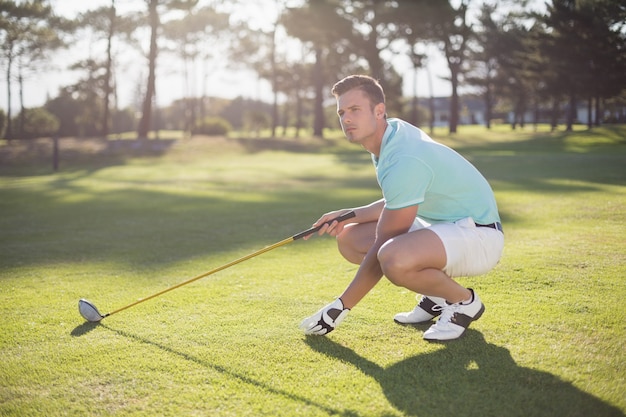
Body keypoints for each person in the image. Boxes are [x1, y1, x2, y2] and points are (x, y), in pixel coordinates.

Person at [299, 75, 504, 341]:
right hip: (444, 226)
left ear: (379, 111)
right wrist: (348, 214)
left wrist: (339, 307)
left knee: (393, 257)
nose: (346, 119)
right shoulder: (389, 137)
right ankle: (436, 298)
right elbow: (400, 201)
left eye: (355, 110)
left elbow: (385, 241)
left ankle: (463, 302)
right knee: (351, 238)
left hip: (479, 236)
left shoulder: (403, 157)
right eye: (341, 112)